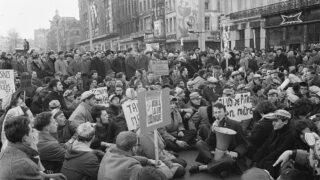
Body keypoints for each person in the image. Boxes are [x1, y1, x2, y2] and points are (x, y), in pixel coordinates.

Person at [189, 103, 248, 176]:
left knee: (229, 160)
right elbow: (208, 143)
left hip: (228, 153)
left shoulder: (235, 124)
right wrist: (212, 132)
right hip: (216, 151)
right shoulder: (215, 124)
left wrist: (236, 152)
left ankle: (203, 167)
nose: (217, 115)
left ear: (225, 112)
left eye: (219, 112)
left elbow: (243, 143)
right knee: (199, 143)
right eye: (215, 112)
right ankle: (220, 166)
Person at [0, 116, 66, 180]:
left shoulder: (7, 148)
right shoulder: (25, 163)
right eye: (32, 131)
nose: (35, 132)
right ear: (25, 138)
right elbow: (27, 168)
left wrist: (47, 176)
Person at [98, 131, 169, 180]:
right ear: (133, 148)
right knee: (179, 171)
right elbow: (156, 177)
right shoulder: (131, 166)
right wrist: (164, 168)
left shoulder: (110, 152)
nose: (138, 146)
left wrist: (148, 161)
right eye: (137, 145)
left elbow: (126, 158)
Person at [252, 110, 295, 178]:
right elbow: (266, 145)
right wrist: (256, 159)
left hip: (281, 161)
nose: (273, 123)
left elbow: (279, 151)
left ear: (285, 122)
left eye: (276, 121)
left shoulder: (290, 134)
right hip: (271, 158)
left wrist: (261, 162)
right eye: (273, 121)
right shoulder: (276, 130)